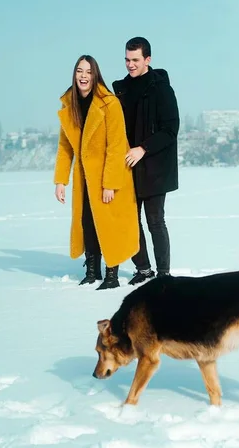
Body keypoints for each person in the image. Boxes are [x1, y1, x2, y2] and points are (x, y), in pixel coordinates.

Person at [54, 55, 139, 290]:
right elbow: (65, 147)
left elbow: (116, 144)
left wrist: (110, 183)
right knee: (87, 222)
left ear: (95, 75)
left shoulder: (109, 103)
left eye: (88, 72)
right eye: (80, 71)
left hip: (108, 175)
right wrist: (60, 180)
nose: (83, 76)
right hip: (84, 177)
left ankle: (111, 275)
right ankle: (92, 271)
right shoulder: (69, 106)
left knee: (108, 224)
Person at [112, 37, 180, 285]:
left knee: (155, 220)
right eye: (127, 60)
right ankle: (143, 269)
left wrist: (143, 148)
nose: (130, 64)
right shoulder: (120, 89)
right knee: (131, 222)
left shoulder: (161, 88)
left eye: (135, 60)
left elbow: (171, 129)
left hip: (155, 167)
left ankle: (163, 274)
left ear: (147, 60)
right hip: (127, 165)